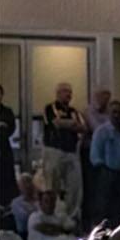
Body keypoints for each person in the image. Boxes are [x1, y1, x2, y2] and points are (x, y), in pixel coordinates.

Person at [40, 82, 87, 221]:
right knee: (52, 185)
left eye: (70, 92)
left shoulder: (74, 111)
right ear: (58, 93)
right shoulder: (50, 108)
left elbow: (83, 128)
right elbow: (55, 123)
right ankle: (51, 216)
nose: (69, 94)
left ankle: (71, 217)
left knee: (75, 186)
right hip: (54, 151)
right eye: (66, 91)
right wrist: (72, 124)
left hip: (71, 152)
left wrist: (67, 124)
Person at [89, 99, 120, 227]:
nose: (117, 115)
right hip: (109, 174)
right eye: (114, 112)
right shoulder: (102, 131)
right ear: (109, 114)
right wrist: (104, 172)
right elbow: (95, 154)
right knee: (106, 209)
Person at [0, 83, 16, 207]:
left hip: (4, 147)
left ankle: (5, 205)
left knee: (5, 177)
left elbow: (10, 128)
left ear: (2, 95)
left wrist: (2, 128)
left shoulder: (7, 111)